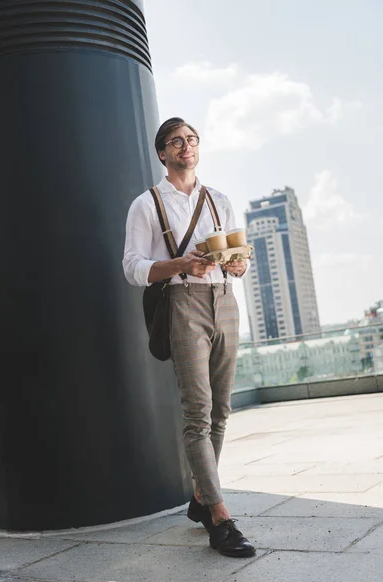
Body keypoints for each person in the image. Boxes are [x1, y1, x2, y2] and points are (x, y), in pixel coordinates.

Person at [122, 117, 255, 558]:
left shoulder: (218, 200)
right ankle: (219, 516)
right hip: (183, 304)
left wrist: (237, 265)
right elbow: (133, 268)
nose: (186, 147)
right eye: (177, 142)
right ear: (162, 153)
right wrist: (181, 264)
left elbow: (237, 259)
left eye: (192, 140)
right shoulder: (147, 204)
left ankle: (200, 498)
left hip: (225, 299)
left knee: (222, 409)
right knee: (198, 413)